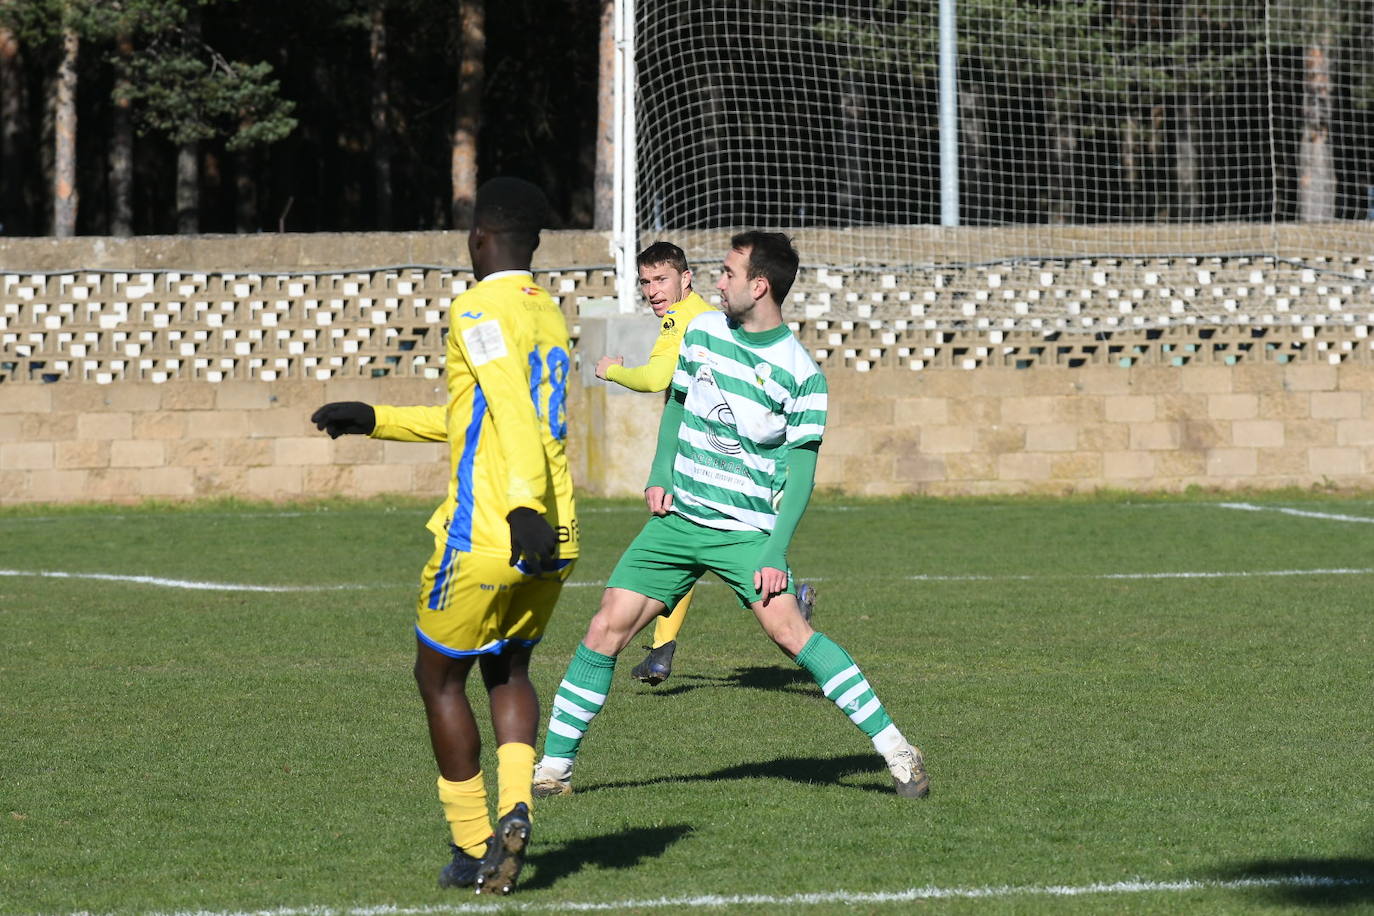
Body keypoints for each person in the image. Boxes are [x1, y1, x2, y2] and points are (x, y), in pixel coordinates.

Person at [531, 231, 928, 800]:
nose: (716, 282)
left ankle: (897, 750)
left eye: (728, 273)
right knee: (603, 628)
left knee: (793, 634)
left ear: (759, 286)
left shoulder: (802, 375)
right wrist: (661, 470)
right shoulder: (703, 331)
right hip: (677, 522)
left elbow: (802, 474)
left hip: (745, 534)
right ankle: (554, 771)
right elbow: (678, 401)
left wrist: (775, 550)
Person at [310, 177, 578, 895]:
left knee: (437, 677)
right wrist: (378, 417)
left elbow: (513, 415)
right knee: (511, 669)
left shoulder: (477, 307)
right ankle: (517, 804)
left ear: (479, 238)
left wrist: (519, 505)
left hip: (491, 532)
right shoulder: (547, 313)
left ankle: (472, 846)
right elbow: (485, 417)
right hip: (555, 536)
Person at [595, 241, 816, 686]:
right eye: (645, 282)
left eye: (661, 280)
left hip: (724, 464)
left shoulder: (687, 319)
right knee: (688, 548)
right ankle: (662, 648)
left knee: (690, 545)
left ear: (686, 278)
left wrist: (613, 371)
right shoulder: (700, 313)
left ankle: (667, 646)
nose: (653, 291)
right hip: (717, 460)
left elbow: (658, 378)